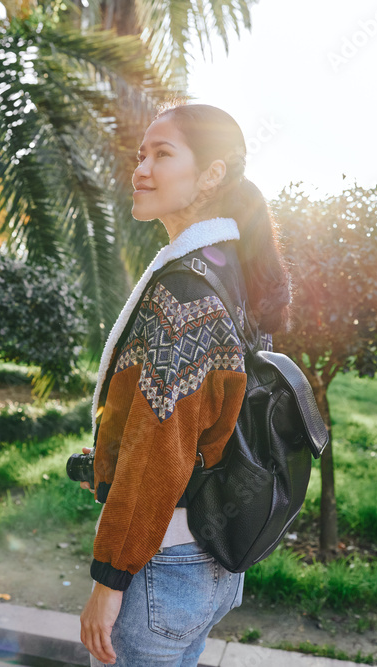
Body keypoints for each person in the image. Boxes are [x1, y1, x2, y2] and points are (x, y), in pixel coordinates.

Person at [78, 102, 292, 666]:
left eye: (162, 154)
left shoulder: (183, 296)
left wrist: (109, 579)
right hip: (209, 560)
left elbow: (157, 455)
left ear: (212, 174)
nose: (140, 169)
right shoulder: (228, 273)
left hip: (160, 565)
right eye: (140, 155)